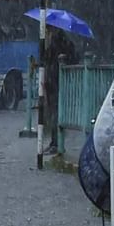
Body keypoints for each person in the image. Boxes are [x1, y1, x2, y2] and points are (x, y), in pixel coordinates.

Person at [41, 26, 78, 154]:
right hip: (54, 81)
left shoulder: (59, 42)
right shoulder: (60, 41)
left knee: (56, 112)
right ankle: (55, 142)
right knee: (54, 112)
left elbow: (50, 59)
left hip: (56, 81)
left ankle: (56, 143)